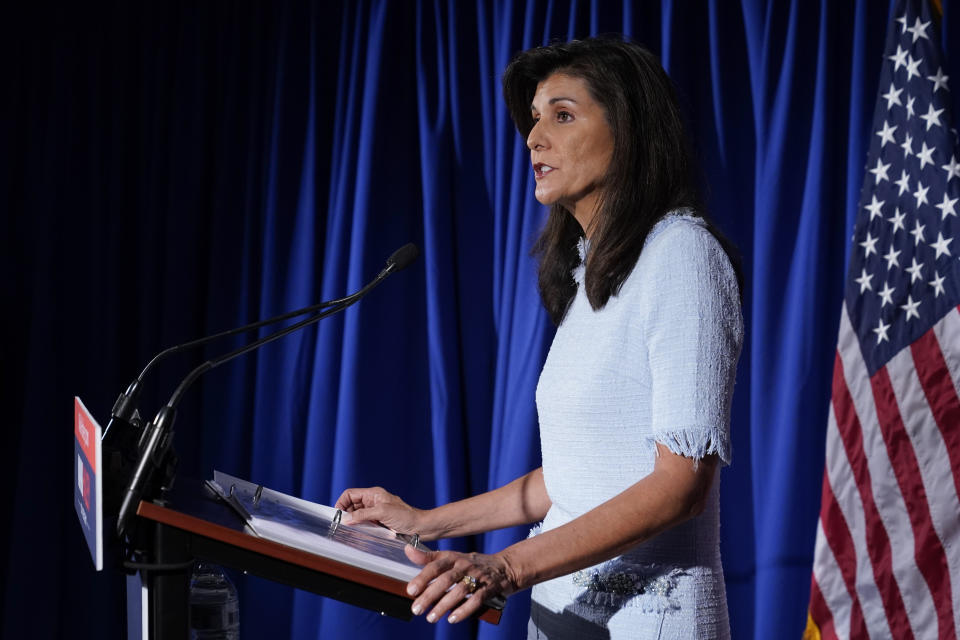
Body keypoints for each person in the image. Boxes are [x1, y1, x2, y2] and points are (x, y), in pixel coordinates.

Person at [336, 37, 743, 639]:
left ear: (628, 128)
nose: (534, 138)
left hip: (647, 624)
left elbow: (679, 484)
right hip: (559, 618)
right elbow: (571, 478)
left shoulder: (682, 255)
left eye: (563, 114)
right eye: (533, 120)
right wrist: (423, 523)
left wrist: (506, 564)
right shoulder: (593, 276)